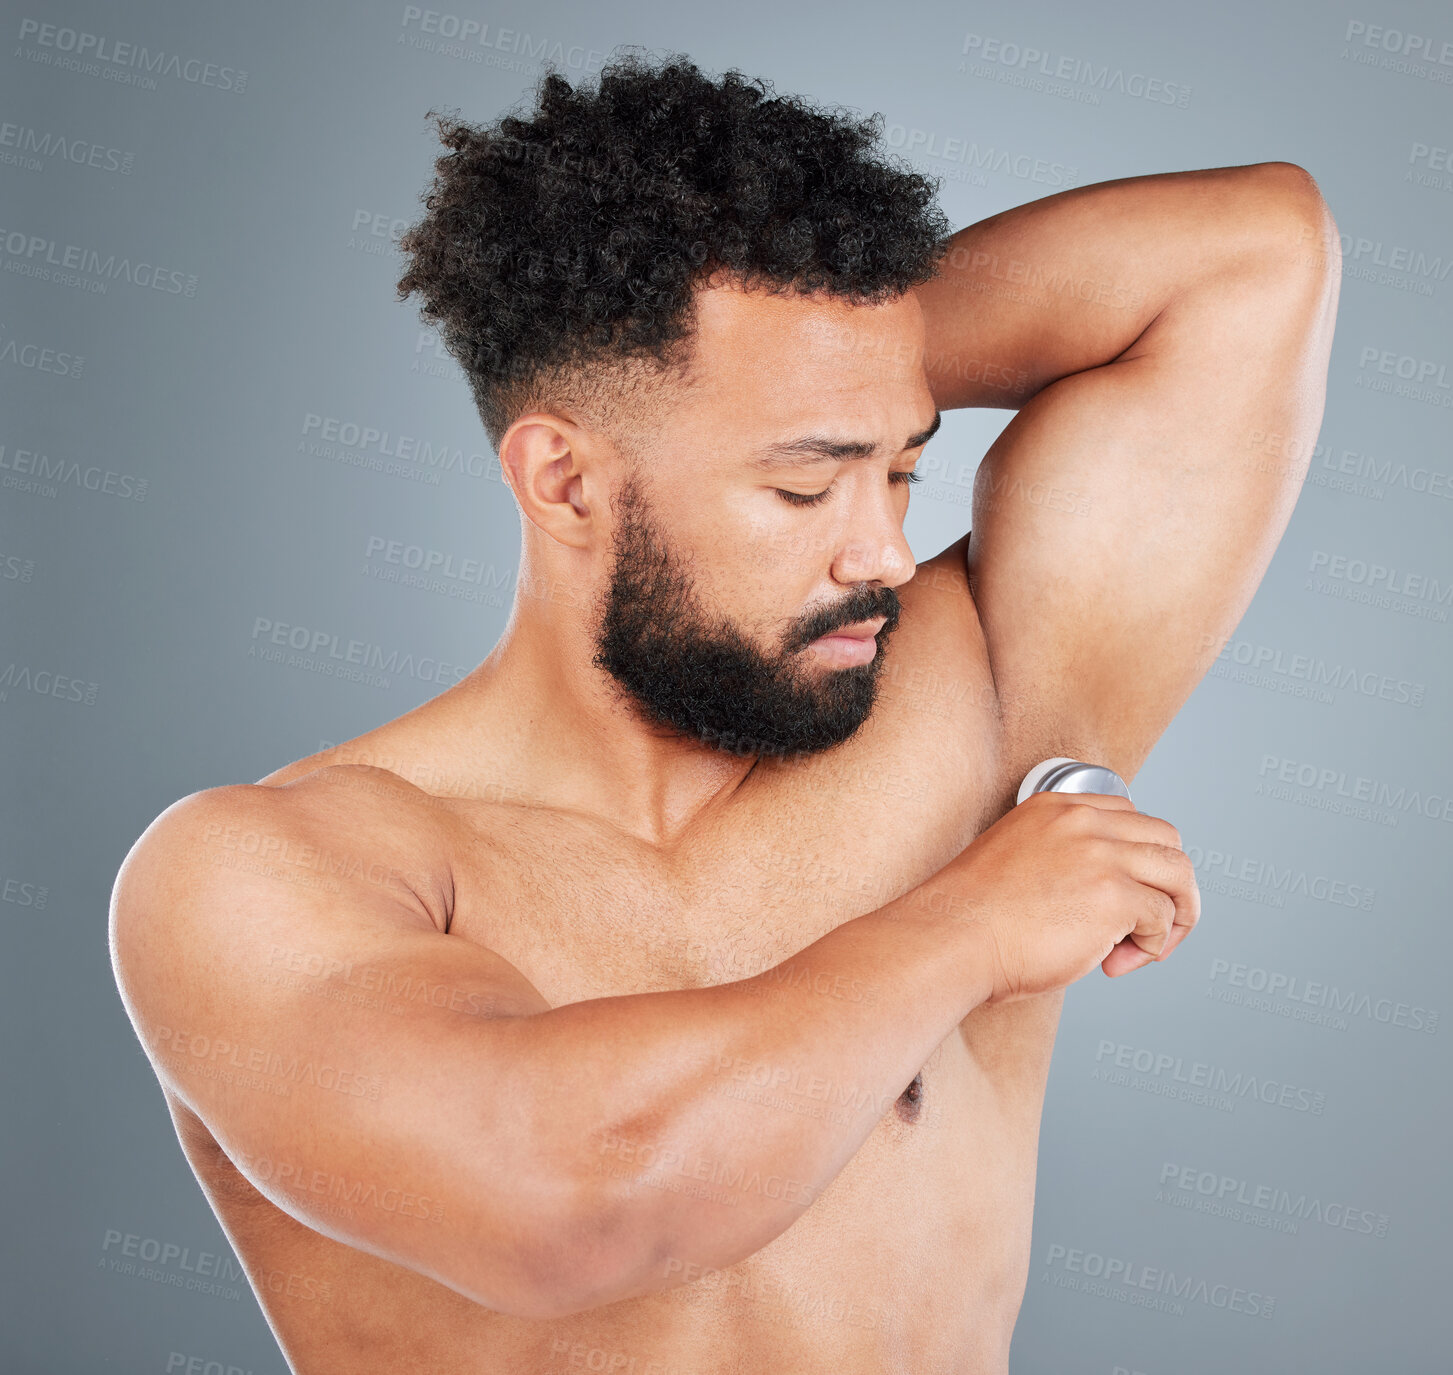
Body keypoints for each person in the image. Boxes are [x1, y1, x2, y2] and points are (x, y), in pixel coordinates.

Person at [108, 52, 1339, 1375]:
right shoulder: (269, 872)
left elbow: (1247, 255)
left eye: (903, 468)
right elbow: (578, 1208)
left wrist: (822, 365)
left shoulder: (969, 712)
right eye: (804, 489)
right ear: (567, 478)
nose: (877, 551)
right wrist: (972, 923)